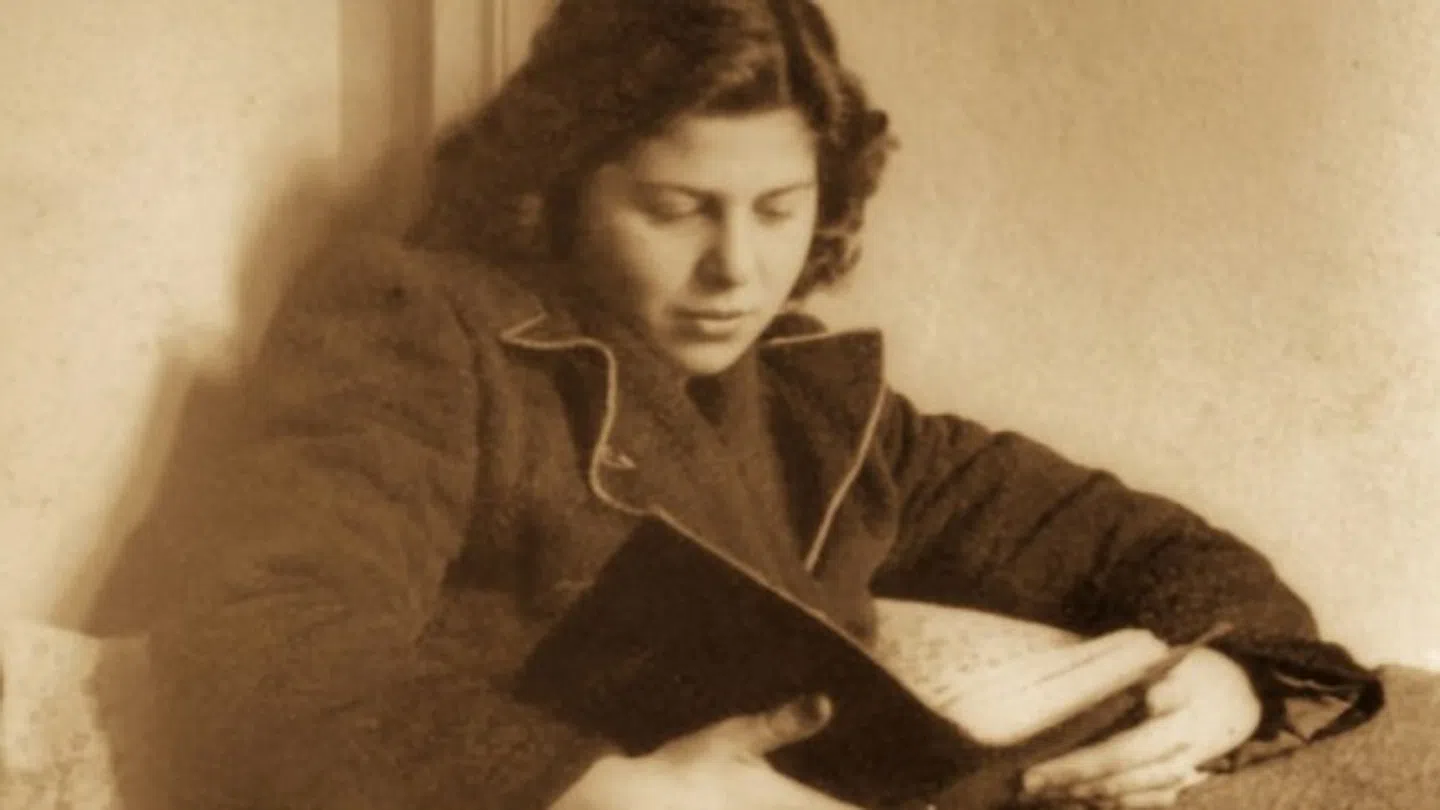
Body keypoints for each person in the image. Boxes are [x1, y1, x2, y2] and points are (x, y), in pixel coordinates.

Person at [148, 1, 1400, 809]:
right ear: (564, 190)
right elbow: (264, 647)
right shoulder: (426, 326)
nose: (737, 272)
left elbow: (1147, 546)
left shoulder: (821, 410)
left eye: (780, 210)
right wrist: (583, 785)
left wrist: (1236, 678)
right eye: (676, 209)